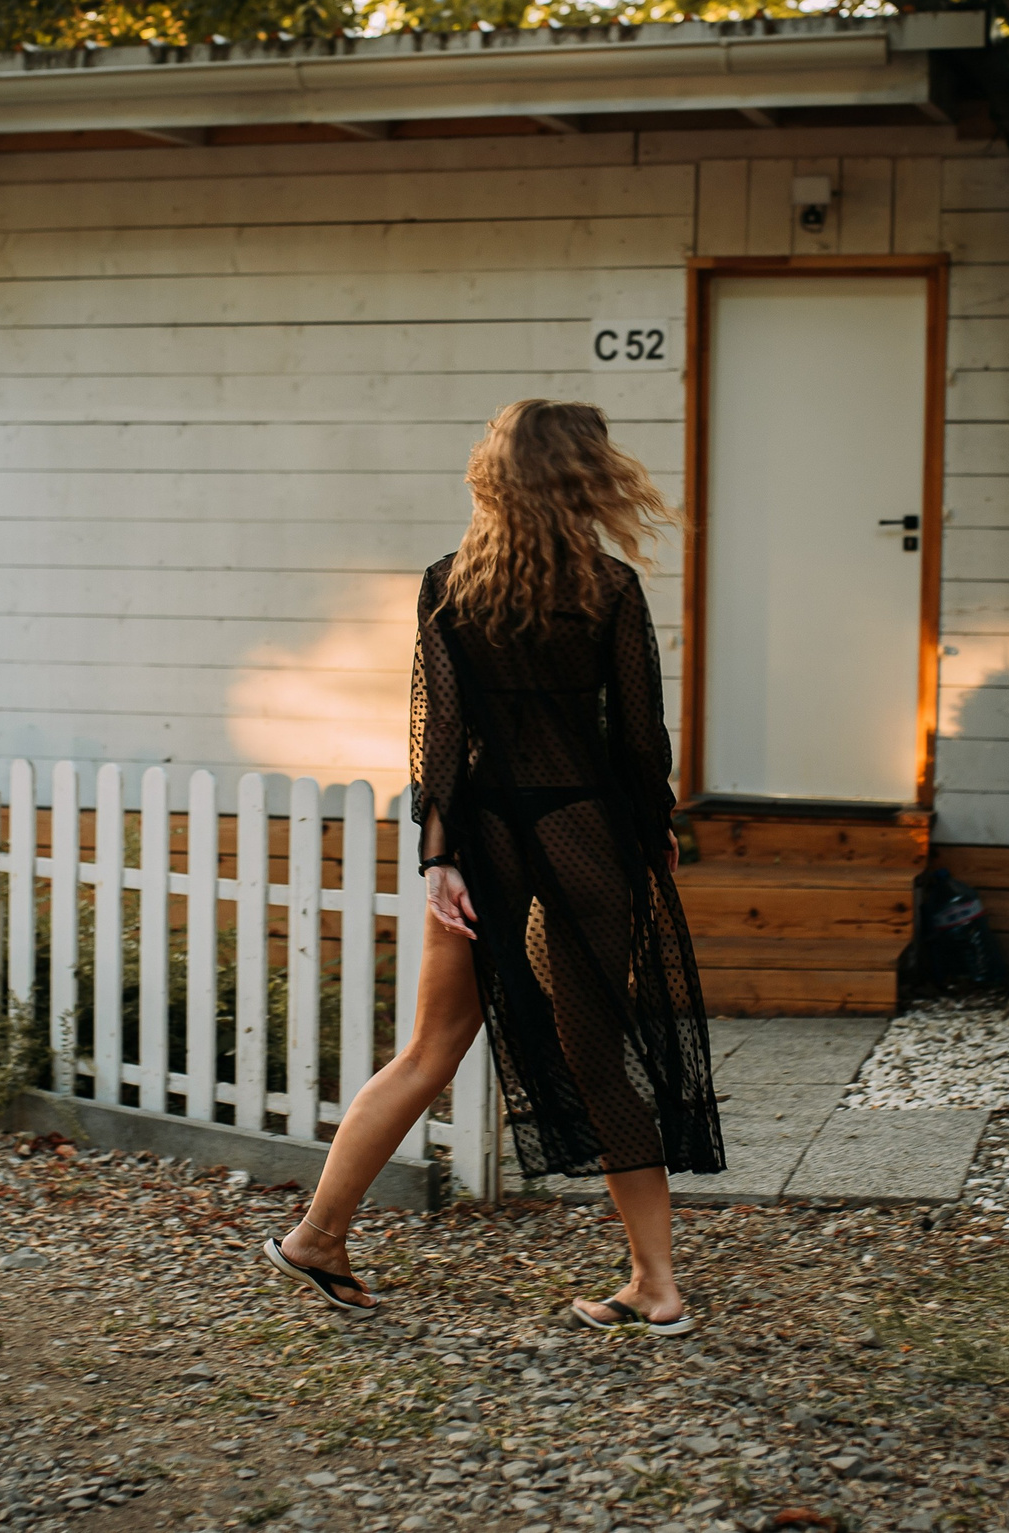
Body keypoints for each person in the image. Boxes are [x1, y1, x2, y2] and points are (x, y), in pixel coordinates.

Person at [262, 399, 724, 1333]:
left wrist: (439, 855)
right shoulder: (610, 587)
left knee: (429, 1050)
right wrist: (654, 826)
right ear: (585, 479)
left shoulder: (449, 585)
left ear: (497, 476)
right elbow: (639, 735)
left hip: (488, 841)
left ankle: (318, 1236)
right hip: (589, 831)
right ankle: (657, 1285)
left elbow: (439, 734)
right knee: (601, 1062)